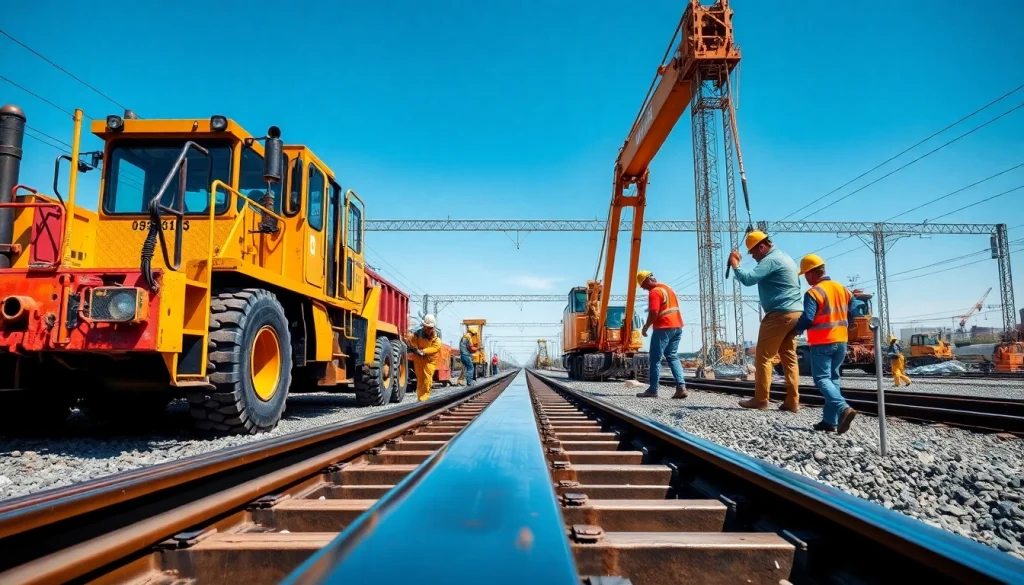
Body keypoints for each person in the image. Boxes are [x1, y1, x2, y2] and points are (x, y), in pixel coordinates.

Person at [728, 231, 803, 411]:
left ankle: (761, 400)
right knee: (789, 358)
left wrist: (735, 265)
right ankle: (793, 401)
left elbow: (748, 279)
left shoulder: (770, 260)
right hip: (795, 313)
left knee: (763, 357)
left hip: (779, 314)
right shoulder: (786, 257)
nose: (753, 257)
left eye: (753, 253)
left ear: (762, 247)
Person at [793, 254, 858, 433]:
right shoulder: (843, 289)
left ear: (813, 273)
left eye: (806, 274)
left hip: (823, 342)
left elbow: (807, 317)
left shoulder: (814, 292)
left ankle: (843, 408)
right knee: (834, 378)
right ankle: (830, 421)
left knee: (821, 379)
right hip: (841, 341)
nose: (806, 278)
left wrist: (795, 330)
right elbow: (853, 310)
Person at [634, 271, 688, 399]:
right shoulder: (667, 288)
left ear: (647, 281)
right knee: (672, 356)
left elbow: (654, 312)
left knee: (655, 359)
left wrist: (646, 327)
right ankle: (681, 388)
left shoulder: (654, 292)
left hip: (663, 328)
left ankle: (653, 390)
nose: (643, 289)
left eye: (642, 285)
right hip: (677, 327)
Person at [406, 314, 442, 401]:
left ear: (433, 327)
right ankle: (420, 398)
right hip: (418, 359)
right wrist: (416, 349)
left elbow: (436, 347)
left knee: (427, 379)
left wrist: (424, 351)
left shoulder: (436, 336)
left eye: (429, 328)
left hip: (429, 360)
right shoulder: (417, 333)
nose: (427, 329)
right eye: (426, 327)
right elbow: (413, 342)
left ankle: (425, 397)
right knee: (420, 379)